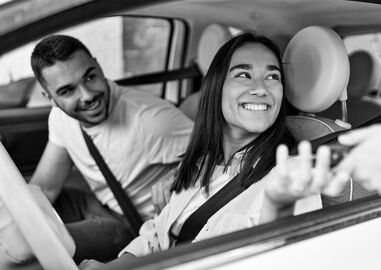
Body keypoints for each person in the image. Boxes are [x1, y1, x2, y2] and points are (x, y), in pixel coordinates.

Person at [78, 32, 323, 269]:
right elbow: (154, 239)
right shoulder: (196, 164)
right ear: (216, 87)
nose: (261, 88)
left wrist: (277, 212)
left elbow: (285, 258)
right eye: (244, 75)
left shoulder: (291, 176)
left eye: (273, 77)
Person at [27, 35, 193, 262]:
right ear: (49, 96)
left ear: (98, 65)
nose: (87, 95)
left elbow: (221, 151)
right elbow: (46, 187)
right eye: (67, 91)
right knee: (25, 208)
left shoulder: (151, 119)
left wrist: (178, 174)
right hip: (97, 203)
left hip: (132, 224)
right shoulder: (60, 117)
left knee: (38, 245)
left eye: (90, 77)